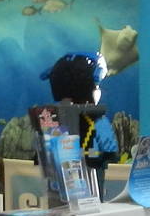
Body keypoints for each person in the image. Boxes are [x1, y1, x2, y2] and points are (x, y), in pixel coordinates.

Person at [39, 52, 119, 188]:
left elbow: (42, 156)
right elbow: (110, 153)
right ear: (90, 88)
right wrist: (89, 154)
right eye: (97, 86)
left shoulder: (50, 119)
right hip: (91, 186)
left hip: (58, 186)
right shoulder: (98, 120)